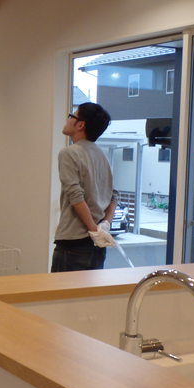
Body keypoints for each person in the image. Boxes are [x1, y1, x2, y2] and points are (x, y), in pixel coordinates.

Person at [51, 102, 119, 272]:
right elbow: (114, 195)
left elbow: (75, 195)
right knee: (88, 289)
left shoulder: (69, 153)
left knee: (61, 290)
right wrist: (104, 225)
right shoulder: (102, 156)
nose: (68, 120)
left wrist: (93, 229)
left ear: (80, 125)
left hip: (73, 244)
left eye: (71, 116)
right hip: (97, 247)